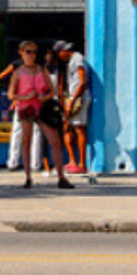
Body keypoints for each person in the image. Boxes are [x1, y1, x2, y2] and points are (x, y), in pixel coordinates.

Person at [7, 40, 74, 190]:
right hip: (26, 108)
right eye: (28, 52)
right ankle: (28, 177)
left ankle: (61, 176)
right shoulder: (18, 72)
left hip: (43, 108)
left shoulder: (42, 70)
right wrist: (26, 97)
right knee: (26, 141)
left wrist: (43, 97)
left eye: (34, 52)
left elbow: (52, 90)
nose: (31, 55)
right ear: (21, 53)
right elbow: (11, 94)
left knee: (54, 141)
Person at [54, 40, 93, 180]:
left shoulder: (77, 59)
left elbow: (82, 81)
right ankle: (72, 161)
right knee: (68, 127)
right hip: (73, 96)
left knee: (79, 128)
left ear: (63, 51)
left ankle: (81, 163)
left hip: (79, 98)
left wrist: (73, 100)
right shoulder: (72, 61)